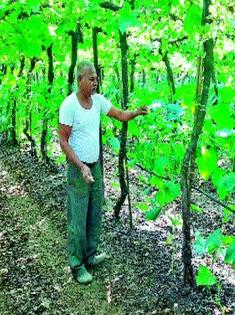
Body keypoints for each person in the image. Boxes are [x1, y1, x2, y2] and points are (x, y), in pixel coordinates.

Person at [58, 60, 148, 283]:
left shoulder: (97, 101)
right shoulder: (69, 106)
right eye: (91, 79)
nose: (95, 82)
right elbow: (62, 140)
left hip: (95, 167)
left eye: (96, 78)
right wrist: (81, 166)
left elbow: (119, 115)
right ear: (80, 80)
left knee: (94, 213)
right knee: (78, 217)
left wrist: (136, 112)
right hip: (79, 169)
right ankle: (76, 263)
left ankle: (89, 255)